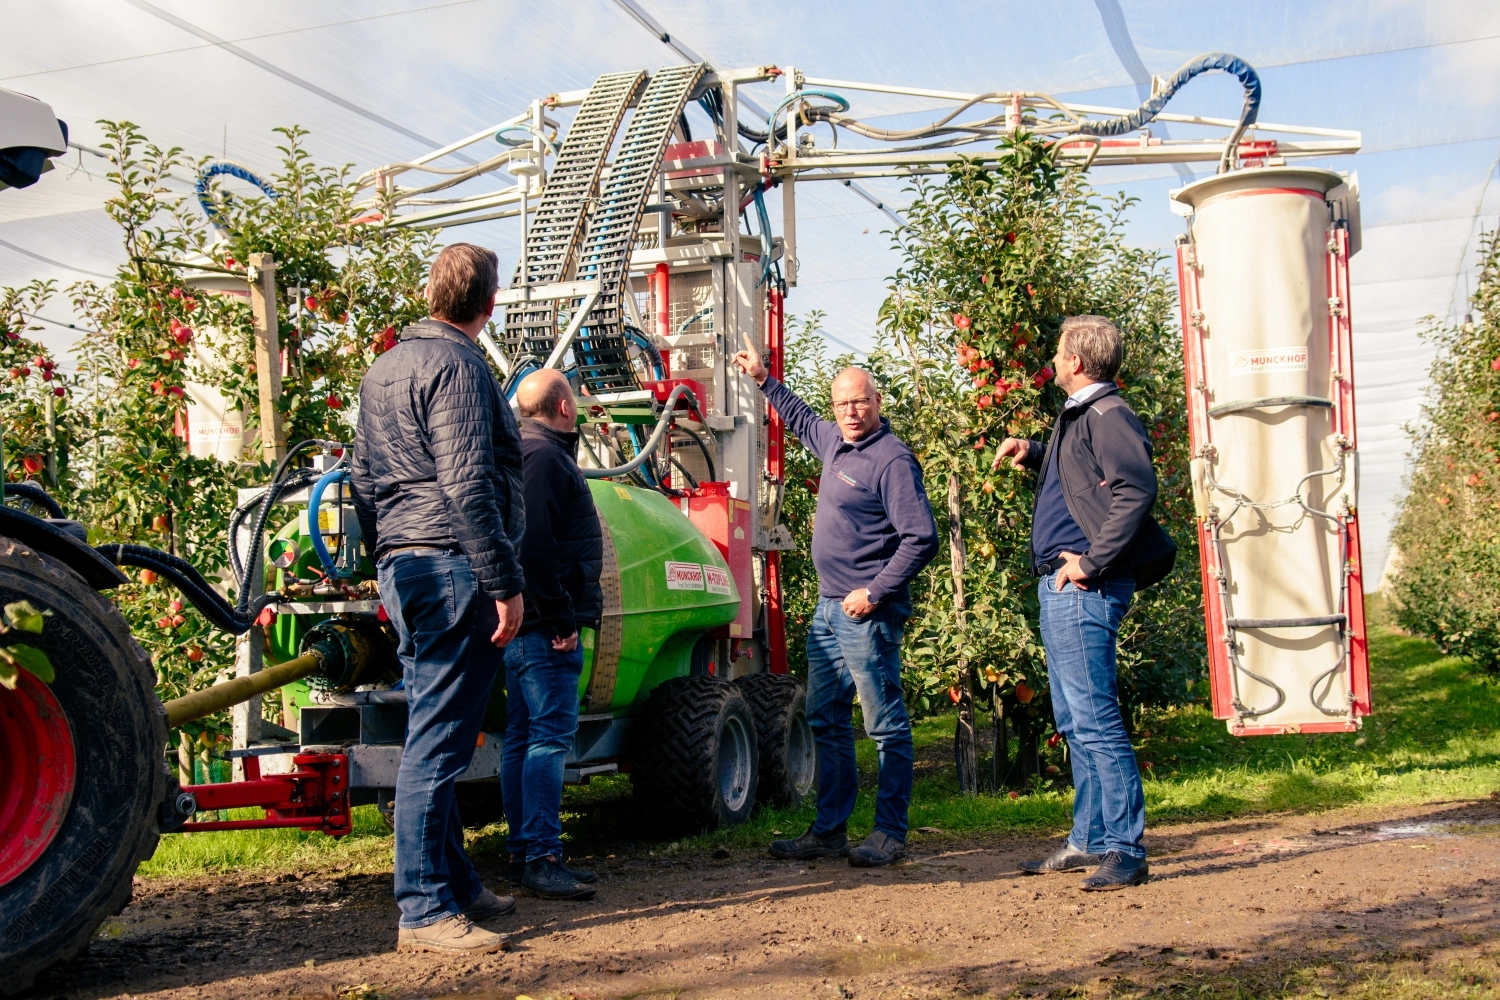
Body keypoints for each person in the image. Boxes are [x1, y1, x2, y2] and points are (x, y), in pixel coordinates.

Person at [350, 243, 524, 954]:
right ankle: (423, 910)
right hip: (454, 567)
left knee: (434, 729)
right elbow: (466, 485)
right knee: (439, 744)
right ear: (488, 305)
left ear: (432, 294)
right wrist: (504, 582)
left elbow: (361, 479)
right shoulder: (459, 366)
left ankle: (455, 883)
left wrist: (382, 558)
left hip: (408, 565)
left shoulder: (383, 368)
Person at [731, 348, 939, 867]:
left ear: (877, 401)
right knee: (825, 718)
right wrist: (763, 379)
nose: (850, 411)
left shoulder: (891, 459)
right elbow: (800, 416)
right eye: (842, 403)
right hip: (829, 612)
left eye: (860, 401)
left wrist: (875, 592)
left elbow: (921, 538)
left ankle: (889, 832)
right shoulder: (836, 444)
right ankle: (829, 830)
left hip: (867, 614)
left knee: (885, 723)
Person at [992, 314, 1176, 891]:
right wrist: (1036, 448)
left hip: (1085, 584)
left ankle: (1126, 847)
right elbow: (1085, 474)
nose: (1052, 357)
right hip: (1064, 584)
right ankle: (1090, 840)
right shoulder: (1081, 417)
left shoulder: (1107, 413)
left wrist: (1090, 563)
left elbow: (1136, 488)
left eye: (1057, 350)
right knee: (1075, 720)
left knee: (1095, 718)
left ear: (1074, 360)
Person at [501, 369, 603, 901]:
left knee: (523, 737)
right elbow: (534, 545)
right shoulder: (543, 456)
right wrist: (562, 617)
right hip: (546, 631)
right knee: (547, 740)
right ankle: (541, 854)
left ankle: (525, 852)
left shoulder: (528, 450)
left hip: (528, 627)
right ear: (564, 407)